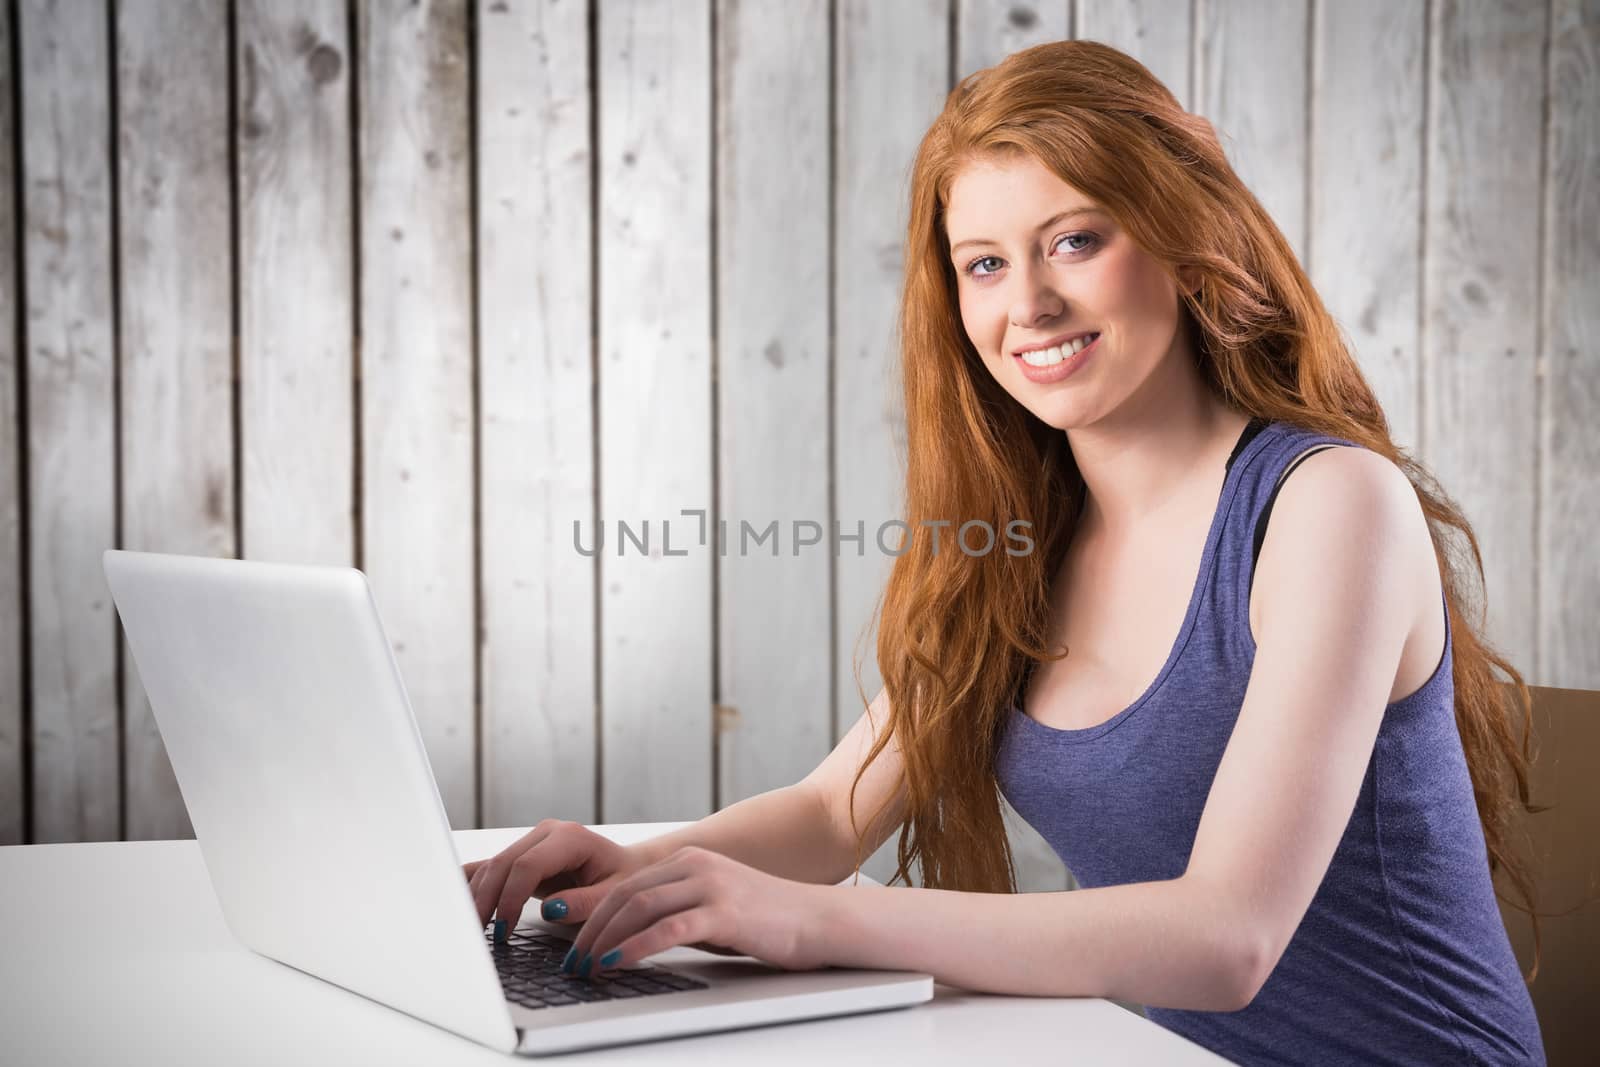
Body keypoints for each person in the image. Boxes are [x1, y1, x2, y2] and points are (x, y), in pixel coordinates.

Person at [463, 40, 1545, 1064]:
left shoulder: (1327, 505)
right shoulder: (1021, 538)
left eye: (1074, 239)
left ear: (1180, 231)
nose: (1026, 304)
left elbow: (1227, 935)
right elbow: (834, 811)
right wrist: (632, 871)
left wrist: (813, 921)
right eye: (983, 264)